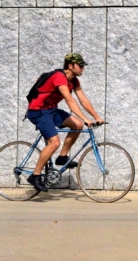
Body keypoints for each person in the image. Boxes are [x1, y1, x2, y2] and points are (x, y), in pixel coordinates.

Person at [26, 53, 104, 192]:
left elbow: (83, 100)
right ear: (70, 66)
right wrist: (85, 118)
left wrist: (96, 117)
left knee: (77, 125)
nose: (82, 68)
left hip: (51, 110)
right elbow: (69, 101)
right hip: (38, 112)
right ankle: (35, 175)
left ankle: (62, 157)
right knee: (54, 142)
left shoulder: (74, 81)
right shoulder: (59, 77)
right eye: (80, 66)